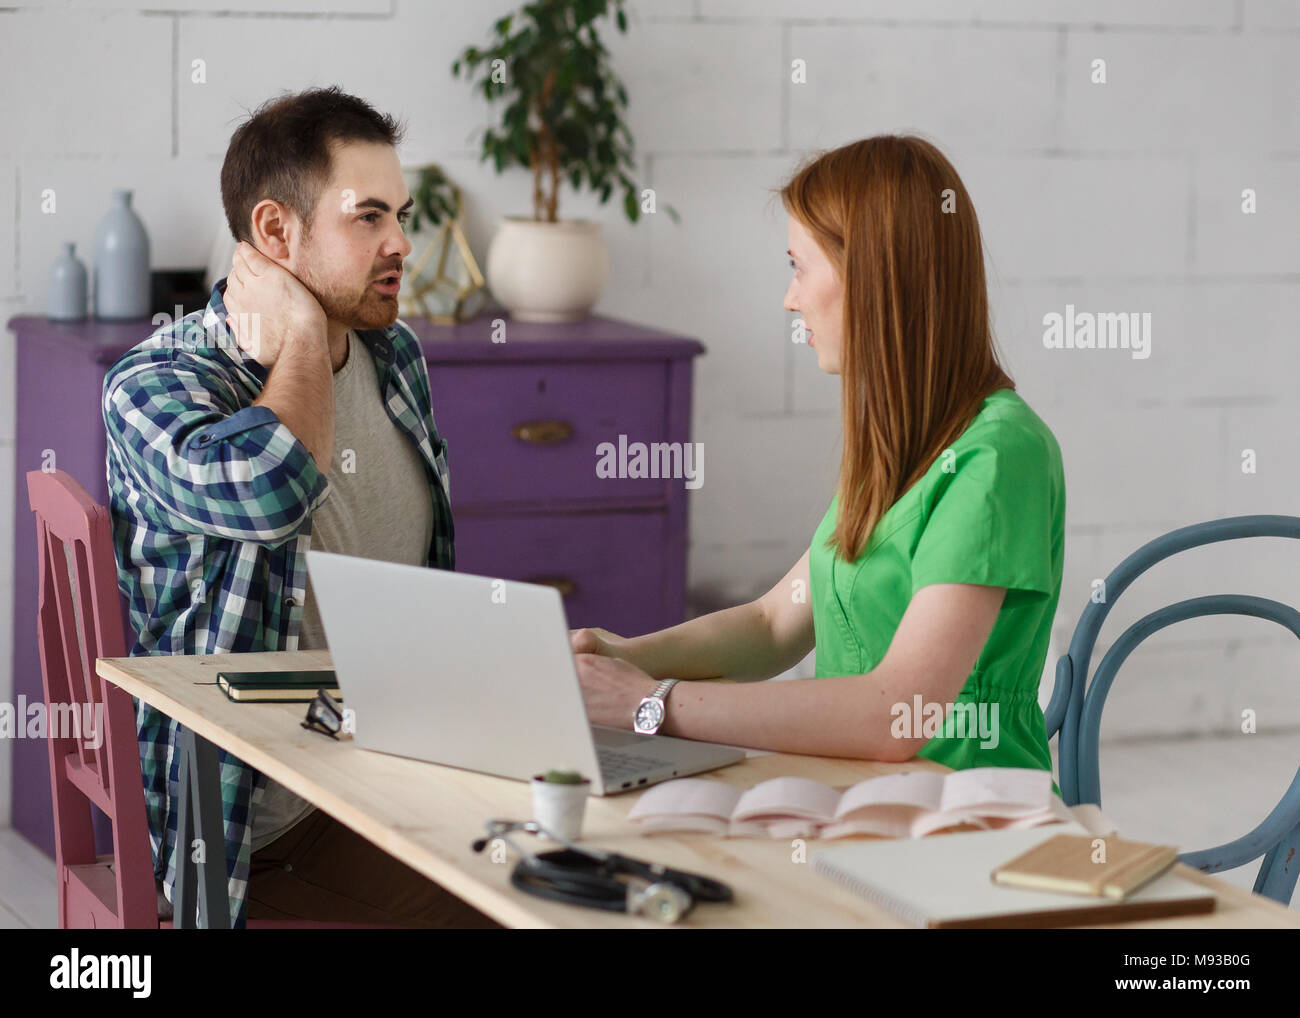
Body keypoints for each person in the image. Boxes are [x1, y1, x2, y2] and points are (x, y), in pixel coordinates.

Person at [102, 85, 498, 928]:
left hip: (393, 777)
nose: (402, 243)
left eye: (404, 213)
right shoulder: (156, 384)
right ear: (275, 234)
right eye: (368, 218)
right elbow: (274, 487)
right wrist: (305, 335)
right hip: (253, 839)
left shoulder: (396, 356)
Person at [572, 135, 1065, 787]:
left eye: (799, 267)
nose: (789, 298)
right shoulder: (898, 443)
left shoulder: (1000, 456)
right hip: (856, 795)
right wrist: (622, 657)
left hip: (969, 811)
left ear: (874, 275)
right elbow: (774, 623)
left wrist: (649, 704)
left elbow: (896, 717)